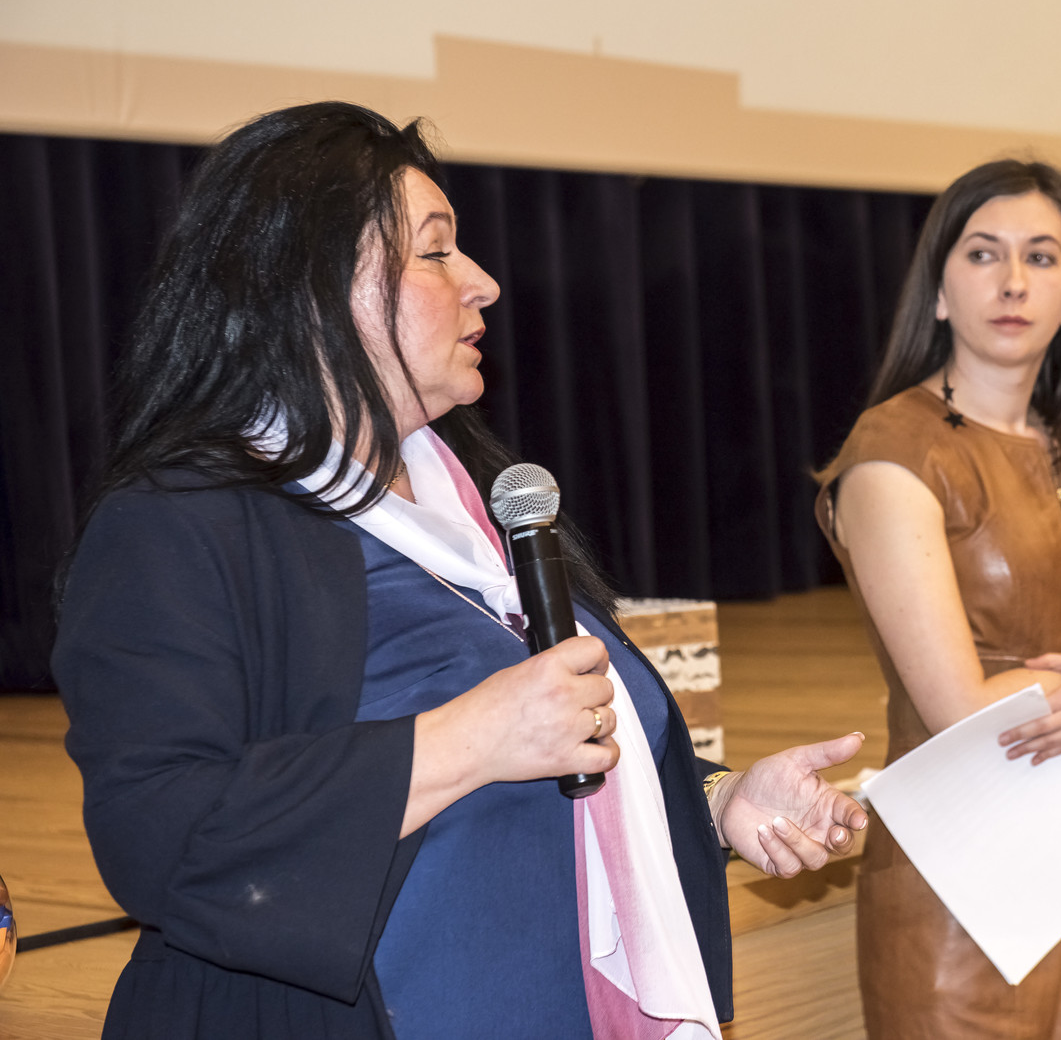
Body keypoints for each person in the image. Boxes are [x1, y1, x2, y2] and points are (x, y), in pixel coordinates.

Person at [50, 101, 868, 1040]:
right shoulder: (179, 521)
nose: (483, 283)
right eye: (435, 252)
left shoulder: (480, 500)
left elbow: (558, 752)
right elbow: (155, 833)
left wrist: (718, 799)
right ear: (307, 287)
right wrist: (467, 739)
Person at [814, 159, 1061, 1039]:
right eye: (984, 254)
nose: (1014, 280)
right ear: (939, 293)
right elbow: (961, 709)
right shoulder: (893, 452)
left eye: (1041, 257)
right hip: (965, 906)